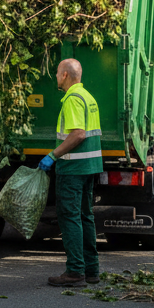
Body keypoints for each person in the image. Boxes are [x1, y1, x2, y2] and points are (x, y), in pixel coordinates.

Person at [39, 58, 103, 288]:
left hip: (73, 169)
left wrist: (53, 155)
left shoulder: (72, 100)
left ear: (65, 75)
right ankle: (91, 270)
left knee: (70, 217)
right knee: (85, 217)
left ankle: (75, 271)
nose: (56, 76)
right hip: (89, 167)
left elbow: (78, 134)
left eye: (57, 72)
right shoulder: (88, 97)